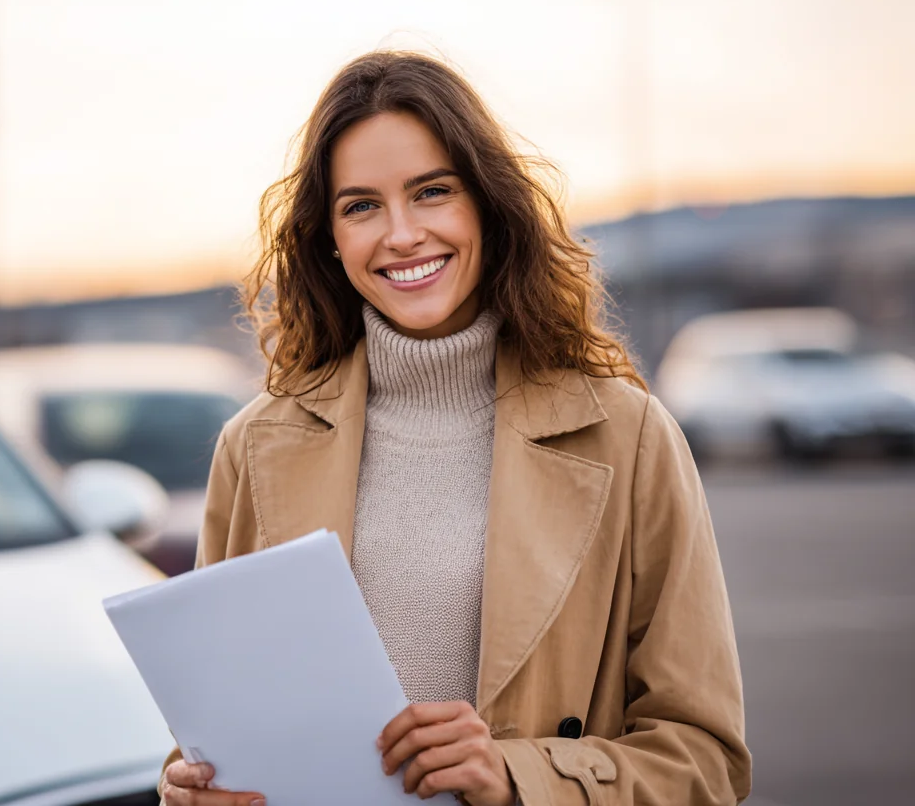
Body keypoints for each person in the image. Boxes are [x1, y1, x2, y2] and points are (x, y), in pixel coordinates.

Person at [158, 51, 751, 806]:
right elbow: (213, 729)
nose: (402, 234)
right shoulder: (253, 446)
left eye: (432, 192)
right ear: (328, 239)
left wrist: (518, 775)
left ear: (487, 206)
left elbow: (706, 757)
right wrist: (186, 786)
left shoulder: (627, 435)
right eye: (361, 205)